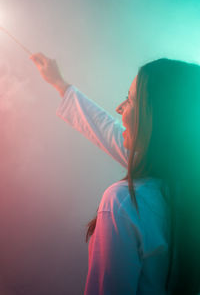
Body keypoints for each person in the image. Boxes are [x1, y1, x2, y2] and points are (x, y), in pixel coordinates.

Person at [30, 53, 200, 295]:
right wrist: (60, 84)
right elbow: (108, 131)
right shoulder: (186, 186)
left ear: (156, 118)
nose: (119, 108)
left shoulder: (124, 203)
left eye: (130, 100)